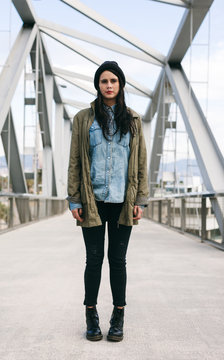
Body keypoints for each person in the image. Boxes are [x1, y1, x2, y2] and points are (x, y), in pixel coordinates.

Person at [67, 61, 148, 342]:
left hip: (123, 201)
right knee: (93, 259)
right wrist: (74, 199)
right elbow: (75, 161)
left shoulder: (134, 120)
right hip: (92, 200)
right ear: (98, 85)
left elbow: (141, 164)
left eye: (113, 80)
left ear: (121, 84)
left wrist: (141, 199)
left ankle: (118, 316)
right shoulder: (82, 119)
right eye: (104, 81)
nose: (109, 85)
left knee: (118, 260)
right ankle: (91, 315)